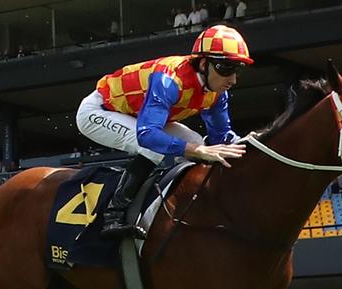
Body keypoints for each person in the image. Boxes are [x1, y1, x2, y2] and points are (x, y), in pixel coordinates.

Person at [76, 25, 251, 239]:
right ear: (204, 64)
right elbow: (147, 135)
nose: (233, 80)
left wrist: (254, 143)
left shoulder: (217, 92)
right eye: (226, 68)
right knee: (154, 147)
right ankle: (113, 215)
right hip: (98, 111)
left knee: (200, 144)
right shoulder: (169, 79)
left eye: (237, 69)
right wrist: (193, 150)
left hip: (138, 115)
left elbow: (221, 139)